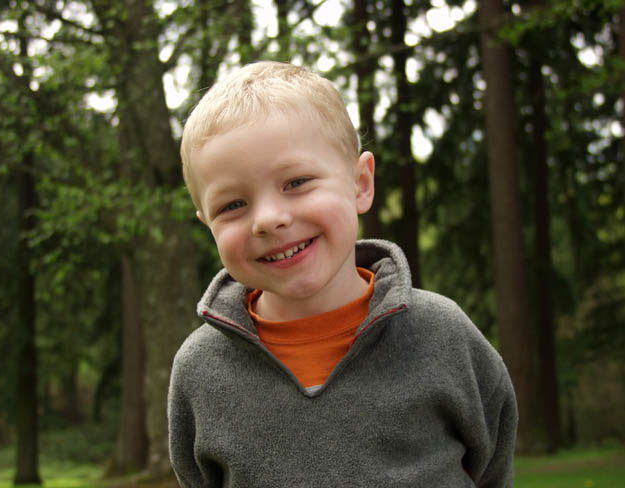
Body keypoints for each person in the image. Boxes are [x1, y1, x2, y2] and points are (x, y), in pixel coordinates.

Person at [168, 61, 517, 487]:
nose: (269, 219)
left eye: (296, 182)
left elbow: (493, 466)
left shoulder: (442, 336)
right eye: (233, 205)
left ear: (360, 184)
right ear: (208, 225)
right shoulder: (201, 369)